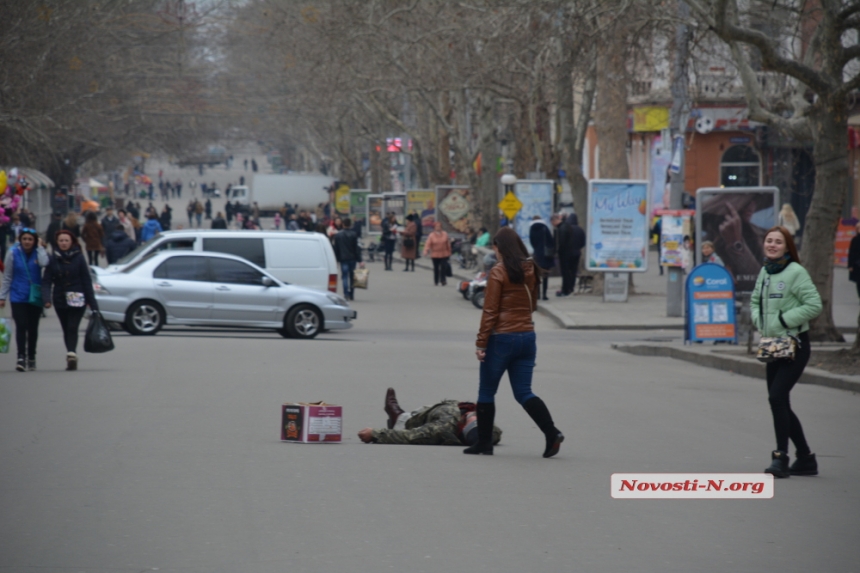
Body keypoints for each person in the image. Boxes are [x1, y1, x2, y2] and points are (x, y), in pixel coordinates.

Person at [467, 227, 563, 457]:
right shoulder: (531, 270)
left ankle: (484, 443)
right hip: (527, 337)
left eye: (494, 245)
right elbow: (532, 306)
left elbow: (490, 311)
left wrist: (481, 343)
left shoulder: (498, 271)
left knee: (487, 391)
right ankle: (551, 432)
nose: (493, 249)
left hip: (501, 338)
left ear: (500, 248)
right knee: (524, 392)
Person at [750, 226, 823, 478]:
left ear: (787, 246)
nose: (772, 245)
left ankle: (780, 457)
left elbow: (814, 305)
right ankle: (805, 458)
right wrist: (761, 323)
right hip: (773, 345)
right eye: (769, 241)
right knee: (779, 400)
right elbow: (754, 302)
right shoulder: (765, 271)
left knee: (777, 398)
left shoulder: (795, 272)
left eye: (777, 242)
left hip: (795, 345)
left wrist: (782, 321)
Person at [358, 388, 502, 446]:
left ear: (465, 425)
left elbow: (410, 436)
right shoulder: (490, 430)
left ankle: (397, 416)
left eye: (473, 419)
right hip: (445, 405)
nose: (474, 415)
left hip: (421, 418)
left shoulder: (443, 428)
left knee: (406, 420)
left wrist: (375, 434)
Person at [41, 230, 98, 370]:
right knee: (66, 328)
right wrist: (46, 299)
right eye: (61, 241)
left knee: (73, 327)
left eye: (66, 240)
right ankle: (71, 353)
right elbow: (47, 281)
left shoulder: (78, 257)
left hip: (77, 297)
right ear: (57, 242)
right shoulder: (53, 258)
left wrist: (93, 304)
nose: (64, 243)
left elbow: (86, 280)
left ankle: (71, 353)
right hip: (60, 298)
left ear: (72, 242)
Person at [0, 228, 49, 371]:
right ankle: (21, 357)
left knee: (33, 328)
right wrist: (2, 296)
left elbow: (45, 263)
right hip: (18, 296)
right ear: (20, 240)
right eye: (24, 239)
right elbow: (8, 276)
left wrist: (40, 247)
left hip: (35, 296)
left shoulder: (38, 253)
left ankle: (31, 356)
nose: (27, 242)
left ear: (34, 241)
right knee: (21, 326)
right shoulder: (13, 253)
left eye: (30, 239)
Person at [553, 213, 584, 297]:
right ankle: (571, 287)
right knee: (573, 271)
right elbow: (583, 242)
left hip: (567, 253)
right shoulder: (580, 229)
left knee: (566, 271)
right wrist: (577, 248)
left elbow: (562, 242)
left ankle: (566, 289)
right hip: (577, 253)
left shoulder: (566, 228)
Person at [332, 217, 363, 301]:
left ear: (343, 224)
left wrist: (336, 260)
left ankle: (346, 294)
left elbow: (336, 249)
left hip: (343, 259)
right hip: (352, 258)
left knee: (344, 276)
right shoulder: (354, 234)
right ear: (350, 225)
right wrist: (360, 260)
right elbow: (357, 249)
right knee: (352, 276)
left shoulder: (338, 235)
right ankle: (352, 294)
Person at [528, 215, 554, 301]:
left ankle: (537, 294)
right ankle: (544, 295)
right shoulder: (545, 228)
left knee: (537, 275)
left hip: (537, 254)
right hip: (546, 255)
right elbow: (550, 240)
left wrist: (536, 248)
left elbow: (532, 240)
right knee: (545, 274)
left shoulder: (532, 228)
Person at [423, 221, 451, 286]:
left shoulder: (445, 234)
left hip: (444, 253)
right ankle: (436, 281)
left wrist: (449, 251)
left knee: (443, 268)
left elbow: (448, 244)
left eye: (439, 226)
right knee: (436, 268)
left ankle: (443, 280)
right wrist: (426, 250)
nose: (438, 228)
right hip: (435, 254)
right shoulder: (431, 235)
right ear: (434, 228)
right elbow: (428, 244)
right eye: (437, 227)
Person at [849, 222, 860, 300]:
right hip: (857, 264)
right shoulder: (855, 239)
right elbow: (851, 253)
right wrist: (850, 265)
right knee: (858, 282)